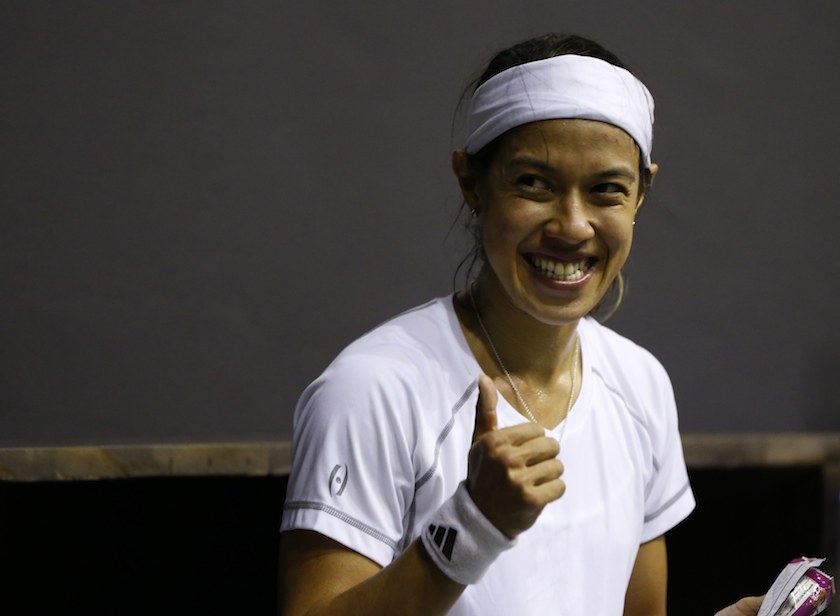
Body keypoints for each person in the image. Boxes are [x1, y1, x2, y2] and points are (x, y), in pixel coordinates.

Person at [279, 32, 763, 615]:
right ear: (471, 183)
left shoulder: (642, 385)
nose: (573, 225)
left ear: (642, 194)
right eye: (534, 184)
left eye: (607, 190)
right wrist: (472, 525)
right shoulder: (371, 389)